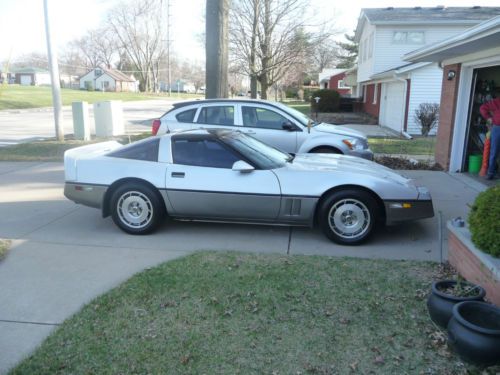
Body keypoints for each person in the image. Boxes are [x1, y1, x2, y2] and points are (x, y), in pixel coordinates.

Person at [480, 97, 500, 180]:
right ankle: (491, 172)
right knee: (494, 151)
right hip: (497, 128)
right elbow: (483, 108)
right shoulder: (497, 101)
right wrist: (488, 117)